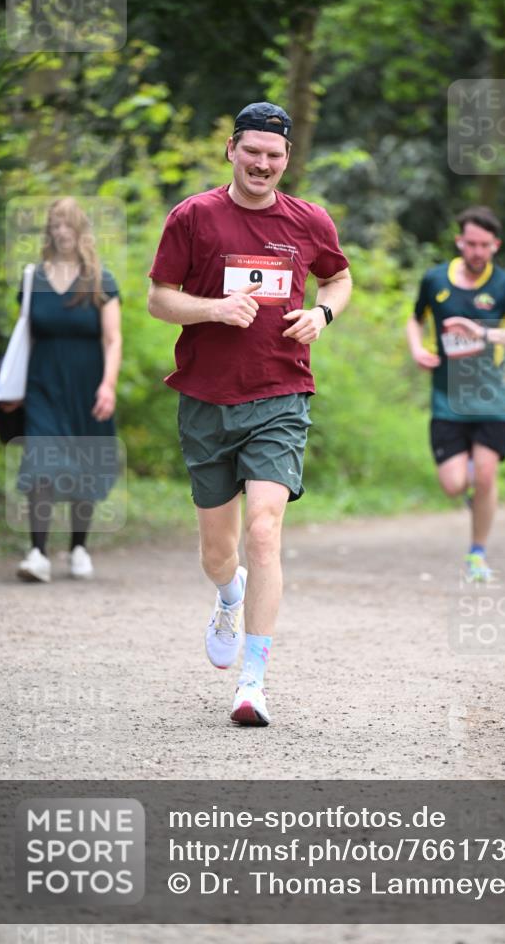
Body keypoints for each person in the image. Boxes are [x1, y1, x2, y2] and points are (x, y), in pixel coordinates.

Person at [148, 101, 352, 726]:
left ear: (287, 159)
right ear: (231, 150)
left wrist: (322, 315)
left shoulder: (309, 221)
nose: (262, 163)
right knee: (220, 551)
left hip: (280, 395)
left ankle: (253, 684)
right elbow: (159, 299)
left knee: (265, 530)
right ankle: (227, 595)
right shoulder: (195, 217)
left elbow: (338, 278)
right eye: (252, 151)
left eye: (275, 154)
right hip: (207, 400)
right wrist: (214, 310)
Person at [406, 206, 505, 581]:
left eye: (485, 245)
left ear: (496, 245)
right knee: (453, 484)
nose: (477, 251)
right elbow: (415, 319)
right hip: (446, 397)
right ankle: (473, 491)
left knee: (487, 475)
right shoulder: (435, 280)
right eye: (471, 243)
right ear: (460, 241)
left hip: (491, 397)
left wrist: (483, 334)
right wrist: (417, 348)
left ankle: (477, 554)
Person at [2, 197, 122, 583]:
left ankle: (78, 548)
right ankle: (37, 552)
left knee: (84, 464)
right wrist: (14, 384)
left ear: (81, 229)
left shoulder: (100, 279)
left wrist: (108, 385)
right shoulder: (32, 278)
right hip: (42, 384)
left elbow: (113, 339)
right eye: (55, 224)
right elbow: (26, 337)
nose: (61, 231)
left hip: (88, 384)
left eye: (68, 224)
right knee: (40, 460)